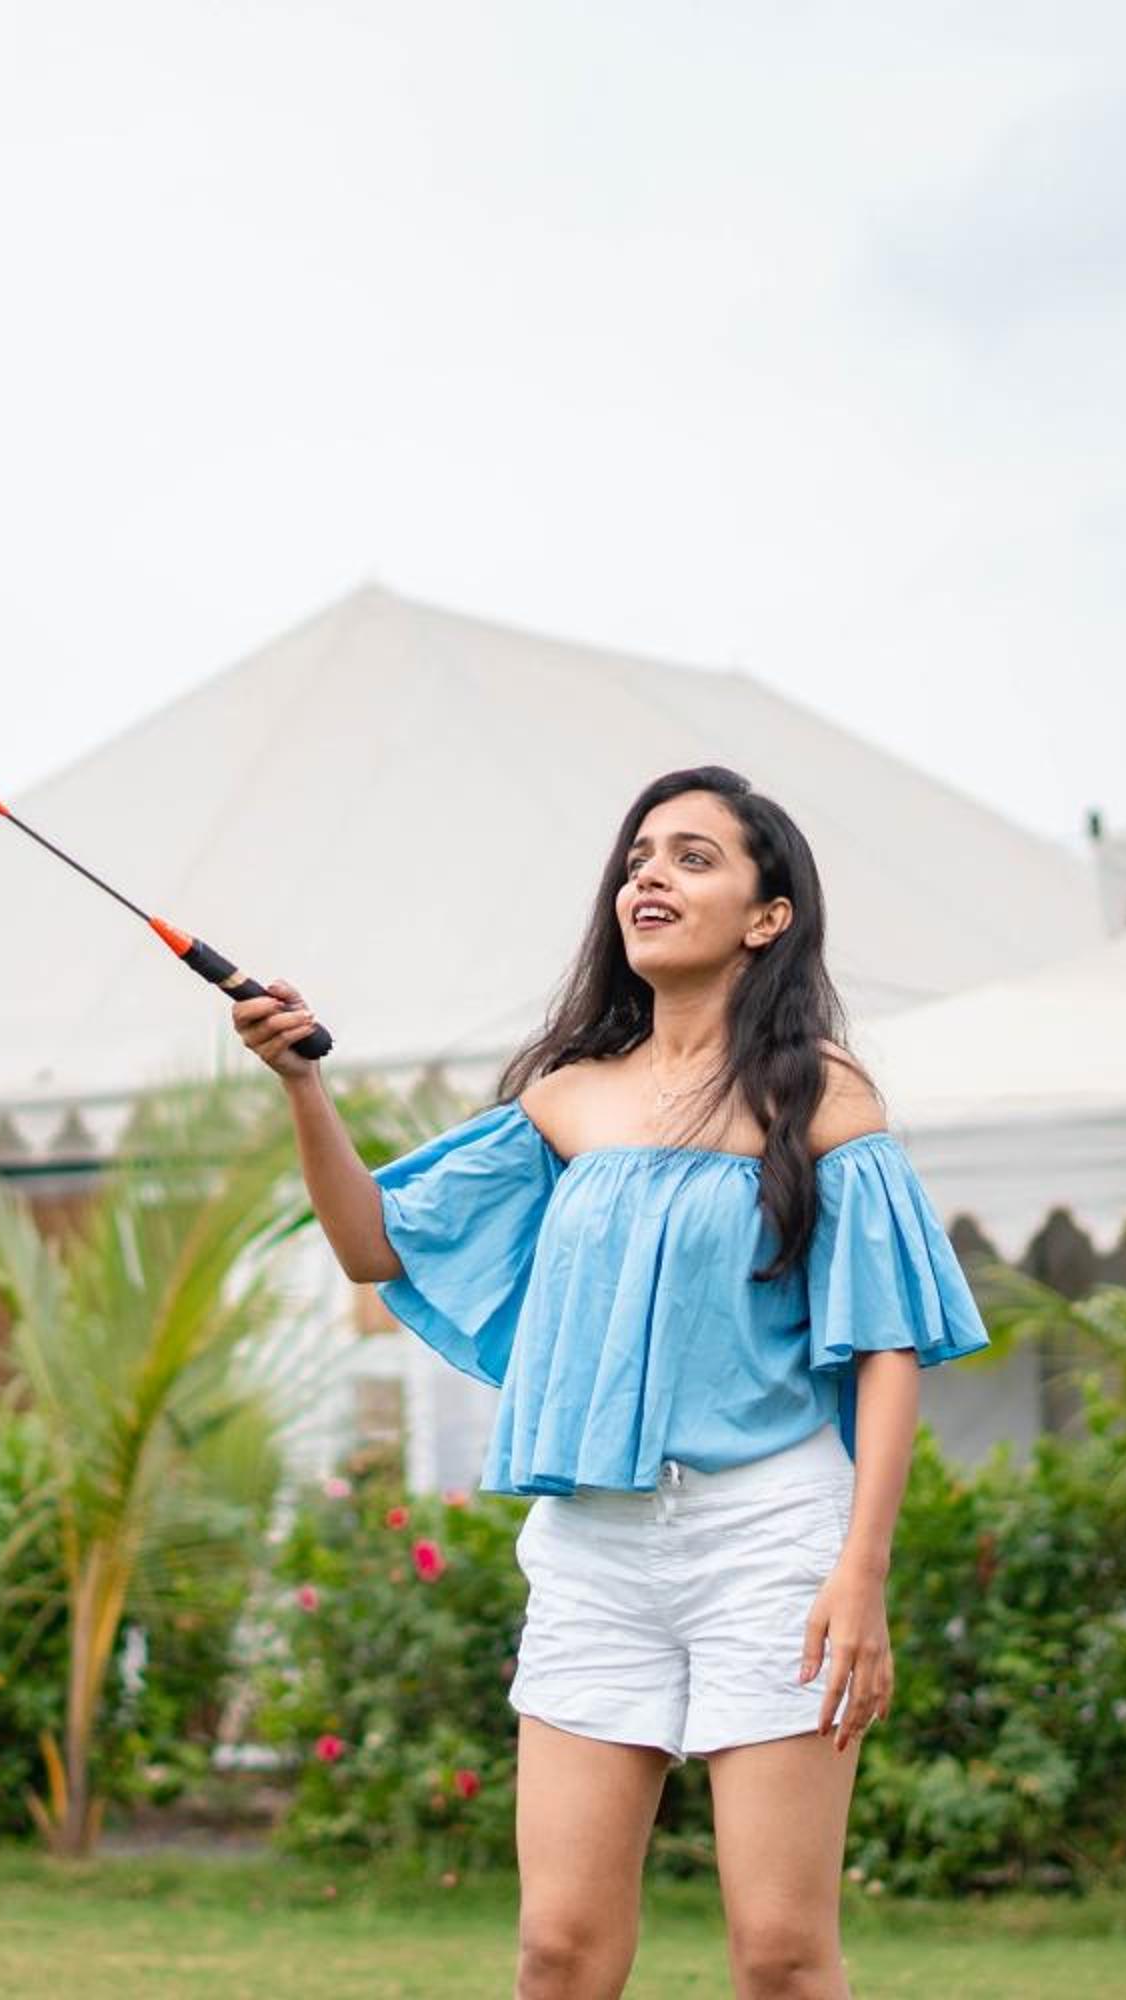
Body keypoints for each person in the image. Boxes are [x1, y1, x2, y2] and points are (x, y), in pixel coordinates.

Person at [230, 764, 991, 2000]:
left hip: (769, 1534)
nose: (651, 876)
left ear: (769, 915)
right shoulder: (568, 1098)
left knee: (782, 1954)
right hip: (593, 1546)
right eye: (640, 856)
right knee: (558, 1952)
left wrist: (862, 1571)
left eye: (694, 856)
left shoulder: (820, 1093)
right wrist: (301, 1082)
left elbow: (889, 1344)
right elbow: (374, 1242)